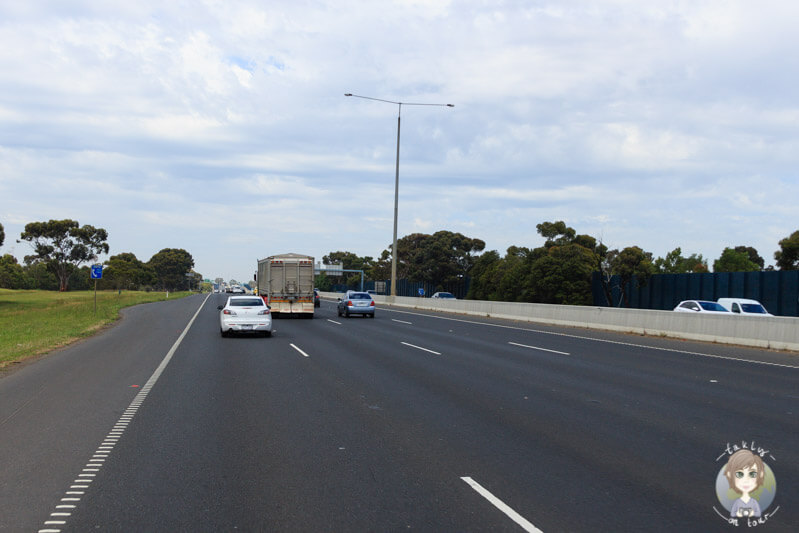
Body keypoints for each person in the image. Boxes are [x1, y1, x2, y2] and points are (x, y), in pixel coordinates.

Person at [723, 449, 765, 518]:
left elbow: (758, 513)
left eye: (752, 474)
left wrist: (752, 513)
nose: (746, 480)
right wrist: (738, 513)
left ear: (760, 474)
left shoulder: (754, 502)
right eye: (739, 474)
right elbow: (732, 514)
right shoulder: (737, 502)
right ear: (730, 475)